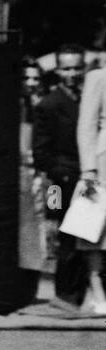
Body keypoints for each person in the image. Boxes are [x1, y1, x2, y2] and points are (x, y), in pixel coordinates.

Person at [32, 46, 88, 309]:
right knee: (68, 238)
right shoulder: (49, 104)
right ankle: (66, 295)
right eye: (67, 68)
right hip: (64, 182)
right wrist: (64, 177)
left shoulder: (90, 97)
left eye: (77, 67)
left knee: (92, 240)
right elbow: (41, 153)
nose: (73, 73)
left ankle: (87, 292)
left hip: (90, 177)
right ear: (57, 71)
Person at [76, 61, 106, 313]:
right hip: (101, 162)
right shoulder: (98, 77)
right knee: (91, 227)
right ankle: (96, 290)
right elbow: (86, 125)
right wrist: (88, 168)